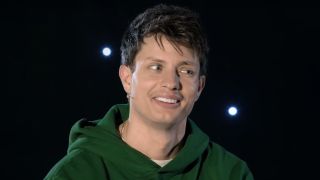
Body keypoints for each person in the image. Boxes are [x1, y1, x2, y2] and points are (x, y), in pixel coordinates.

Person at [45, 4, 254, 180]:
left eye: (185, 70)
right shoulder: (75, 173)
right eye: (156, 67)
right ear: (127, 78)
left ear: (199, 87)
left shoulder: (230, 173)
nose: (171, 83)